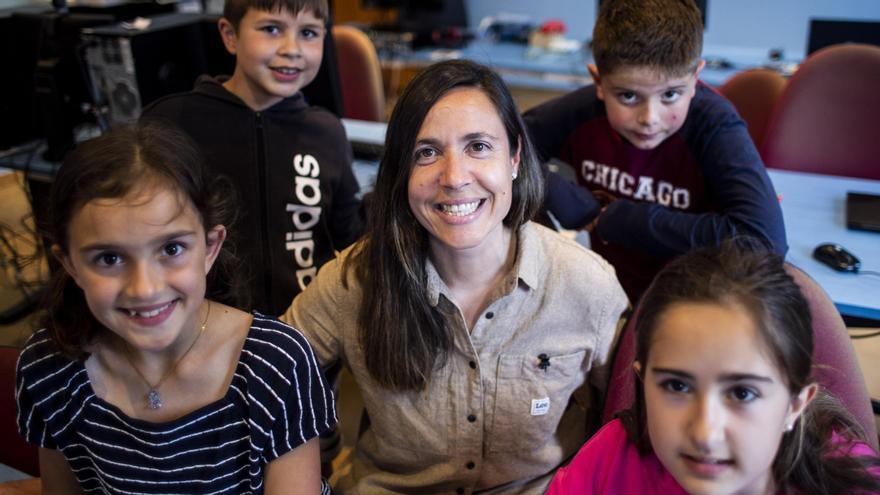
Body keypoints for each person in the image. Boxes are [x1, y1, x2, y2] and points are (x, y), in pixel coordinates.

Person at [281, 59, 628, 493]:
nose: (455, 177)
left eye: (478, 146)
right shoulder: (357, 279)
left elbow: (630, 432)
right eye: (426, 153)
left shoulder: (585, 285)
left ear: (515, 158)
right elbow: (274, 377)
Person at [16, 123, 335, 494]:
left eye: (171, 249)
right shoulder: (49, 367)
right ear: (69, 264)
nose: (145, 287)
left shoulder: (277, 363)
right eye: (109, 257)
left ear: (210, 247)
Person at [547, 239, 880, 494]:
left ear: (794, 405)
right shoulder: (607, 462)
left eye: (742, 392)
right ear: (642, 381)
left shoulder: (850, 482)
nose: (705, 434)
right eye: (677, 386)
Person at [523, 0, 786, 301]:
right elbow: (505, 142)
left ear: (696, 78)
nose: (650, 118)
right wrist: (566, 198)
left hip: (697, 303)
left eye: (671, 94)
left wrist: (619, 220)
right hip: (612, 293)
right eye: (629, 96)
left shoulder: (715, 125)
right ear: (599, 81)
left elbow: (763, 242)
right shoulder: (585, 111)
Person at [142, 0, 363, 315]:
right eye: (272, 29)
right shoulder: (171, 122)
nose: (292, 48)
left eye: (309, 33)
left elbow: (348, 236)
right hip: (200, 330)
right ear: (230, 36)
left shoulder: (327, 132)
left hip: (303, 332)